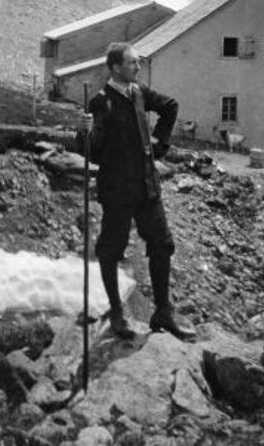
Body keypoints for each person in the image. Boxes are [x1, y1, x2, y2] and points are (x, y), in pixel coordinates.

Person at [88, 42, 195, 341]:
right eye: (132, 63)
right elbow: (93, 154)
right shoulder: (100, 102)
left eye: (137, 62)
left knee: (162, 245)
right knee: (111, 250)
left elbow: (170, 106)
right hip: (118, 190)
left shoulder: (138, 93)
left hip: (147, 187)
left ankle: (163, 312)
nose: (138, 67)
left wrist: (160, 145)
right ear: (115, 68)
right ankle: (117, 312)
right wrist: (85, 133)